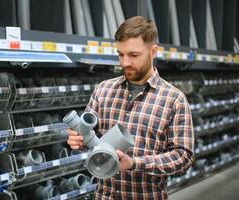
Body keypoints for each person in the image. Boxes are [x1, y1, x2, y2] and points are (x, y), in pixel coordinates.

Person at [67, 16, 194, 200]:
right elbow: (87, 137)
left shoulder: (174, 99)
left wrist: (135, 163)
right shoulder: (103, 90)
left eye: (133, 55)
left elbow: (184, 157)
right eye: (120, 54)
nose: (125, 62)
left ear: (153, 52)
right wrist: (76, 140)